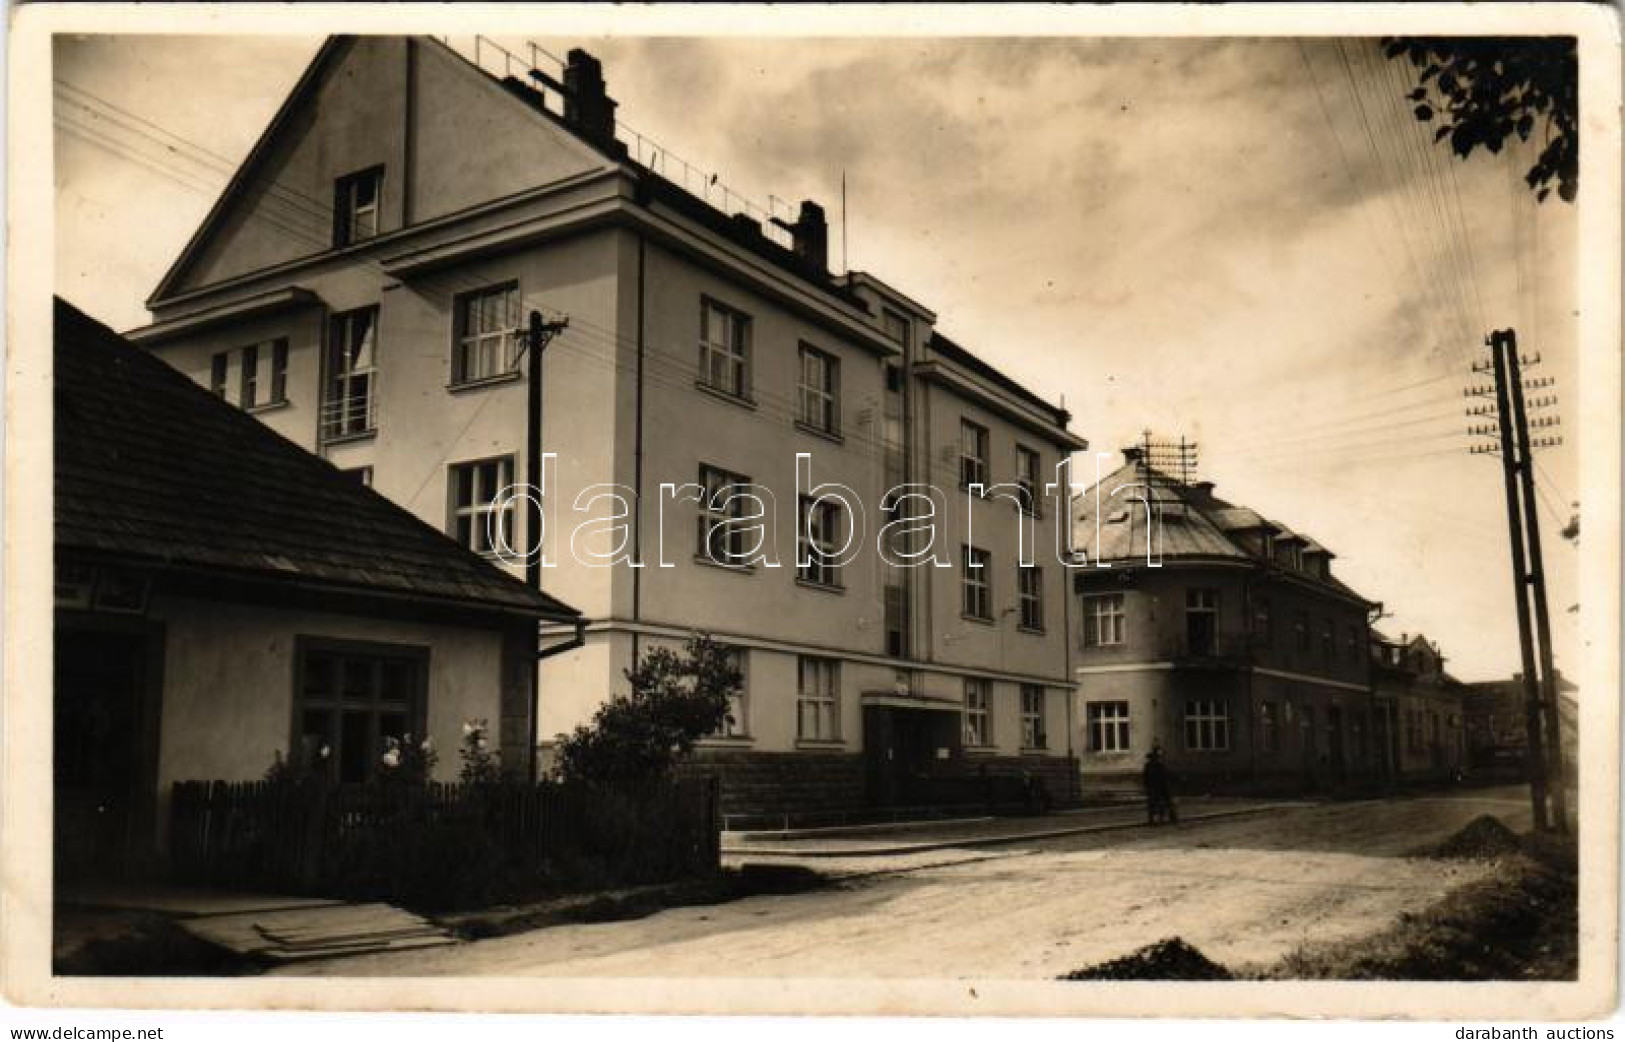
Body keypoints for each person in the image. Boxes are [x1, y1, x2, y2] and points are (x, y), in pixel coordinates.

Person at [1143, 743, 1177, 825]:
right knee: (1163, 802)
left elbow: (1146, 777)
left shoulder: (1150, 765)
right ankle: (1166, 817)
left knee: (1155, 803)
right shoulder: (1158, 765)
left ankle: (1155, 819)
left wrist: (1147, 786)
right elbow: (1163, 776)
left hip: (1155, 787)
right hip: (1159, 786)